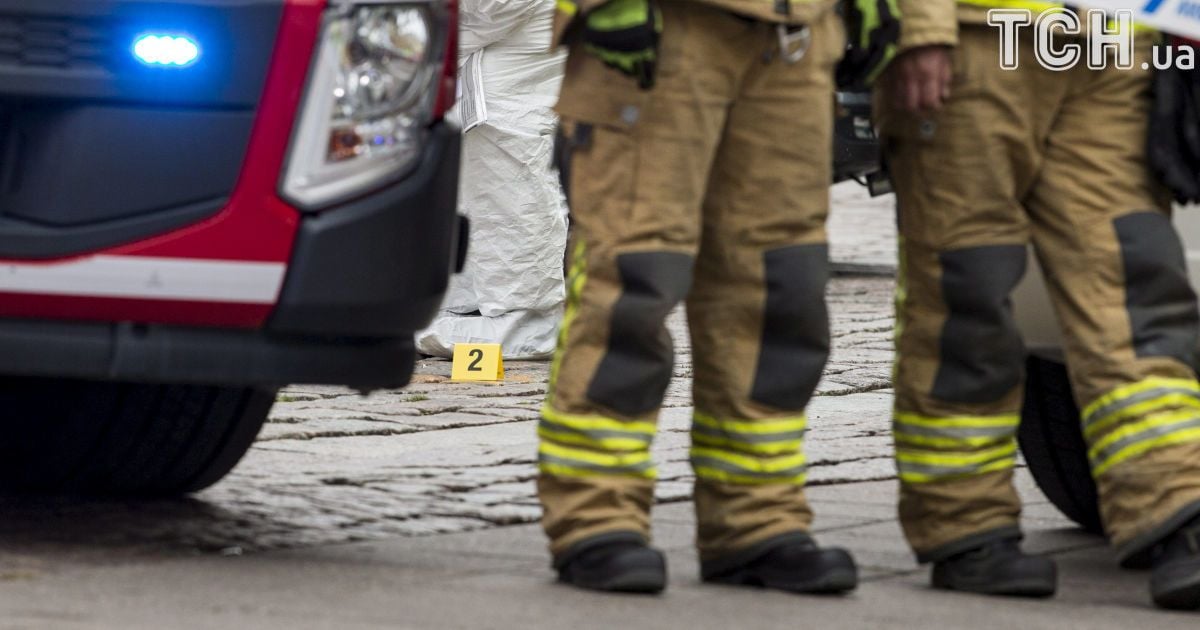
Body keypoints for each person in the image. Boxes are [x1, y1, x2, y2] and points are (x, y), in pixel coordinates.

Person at [534, 0, 894, 595]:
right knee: (634, 283)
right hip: (667, 27)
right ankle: (596, 518)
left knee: (781, 285)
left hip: (797, 36)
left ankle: (756, 522)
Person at [878, 0, 1200, 610]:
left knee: (1137, 285)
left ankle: (1176, 507)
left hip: (1108, 42)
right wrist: (918, 29)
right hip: (976, 39)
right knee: (962, 295)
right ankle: (966, 527)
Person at [416, 0, 569, 361]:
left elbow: (484, 12)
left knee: (510, 179)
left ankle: (524, 321)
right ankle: (467, 306)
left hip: (511, 50)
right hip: (498, 52)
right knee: (477, 179)